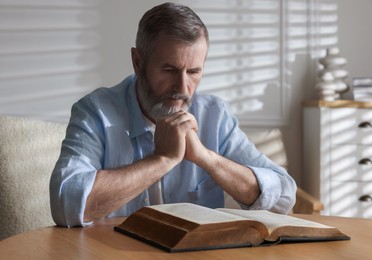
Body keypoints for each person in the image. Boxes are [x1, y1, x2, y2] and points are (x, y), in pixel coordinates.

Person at [50, 2, 296, 227]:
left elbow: (284, 197)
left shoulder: (214, 115)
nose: (182, 88)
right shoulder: (95, 112)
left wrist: (206, 158)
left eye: (193, 72)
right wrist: (163, 158)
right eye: (169, 70)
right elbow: (65, 205)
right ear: (137, 62)